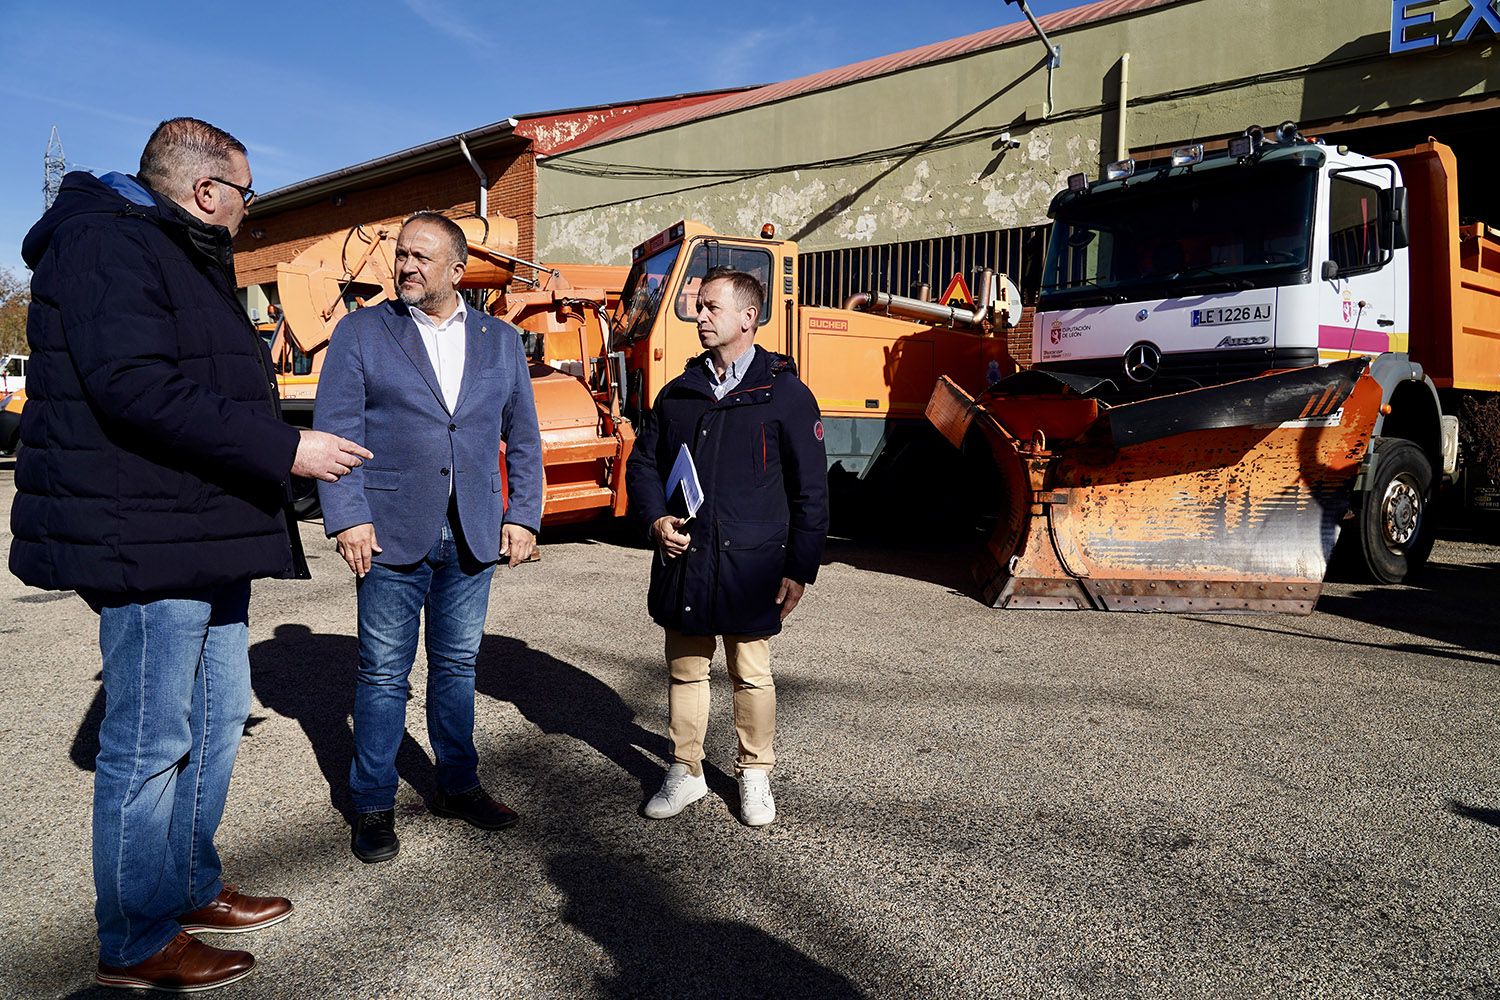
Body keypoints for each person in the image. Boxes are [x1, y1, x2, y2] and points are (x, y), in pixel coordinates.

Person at [9, 117, 371, 992]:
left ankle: (187, 886)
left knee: (211, 723)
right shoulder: (107, 244)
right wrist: (284, 449)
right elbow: (136, 387)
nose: (249, 208)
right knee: (150, 740)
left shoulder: (169, 244)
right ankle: (133, 940)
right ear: (207, 191)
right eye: (245, 192)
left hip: (198, 528)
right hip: (149, 536)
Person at [315, 211, 543, 863]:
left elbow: (523, 437)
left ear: (457, 269)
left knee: (456, 667)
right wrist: (348, 515)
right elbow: (336, 432)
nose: (406, 266)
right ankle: (373, 804)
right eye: (401, 255)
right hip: (387, 532)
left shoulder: (501, 341)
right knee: (384, 673)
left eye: (420, 256)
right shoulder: (361, 333)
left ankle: (459, 785)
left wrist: (522, 514)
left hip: (473, 531)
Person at [625, 267, 829, 827]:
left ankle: (754, 773)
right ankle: (686, 770)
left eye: (711, 307)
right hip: (685, 558)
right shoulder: (678, 393)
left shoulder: (785, 395)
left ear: (748, 317)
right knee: (686, 670)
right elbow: (643, 465)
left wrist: (800, 567)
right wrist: (655, 520)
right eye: (698, 306)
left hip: (752, 563)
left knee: (752, 673)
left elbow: (811, 490)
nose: (699, 316)